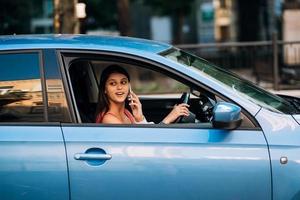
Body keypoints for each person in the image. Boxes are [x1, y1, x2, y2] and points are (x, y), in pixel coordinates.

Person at [95, 65, 190, 124]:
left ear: (129, 86)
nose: (119, 87)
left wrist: (139, 117)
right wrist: (169, 119)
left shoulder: (127, 113)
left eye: (123, 82)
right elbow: (145, 140)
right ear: (104, 89)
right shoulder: (109, 119)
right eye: (113, 83)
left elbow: (145, 135)